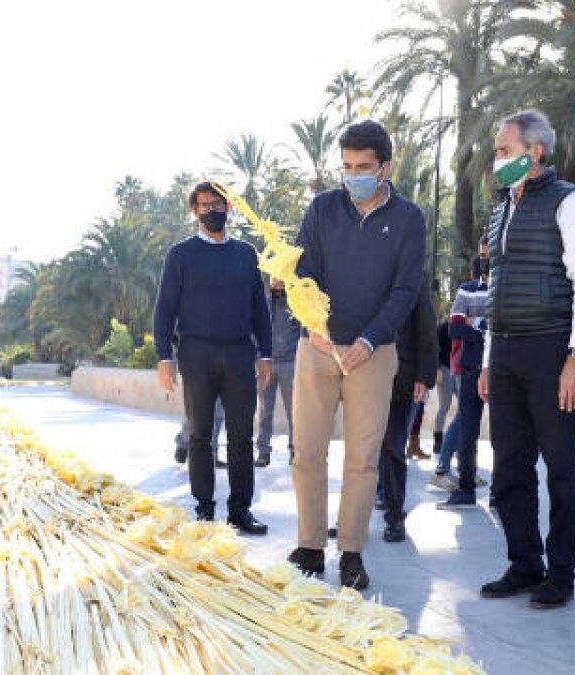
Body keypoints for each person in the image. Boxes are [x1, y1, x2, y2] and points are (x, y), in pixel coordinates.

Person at [287, 120, 426, 591]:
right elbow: (303, 271)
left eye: (363, 168)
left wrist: (369, 340)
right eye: (346, 167)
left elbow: (406, 289)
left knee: (363, 459)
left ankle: (350, 552)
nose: (352, 176)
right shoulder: (323, 208)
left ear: (385, 167)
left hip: (375, 353)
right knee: (306, 451)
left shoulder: (408, 219)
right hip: (318, 349)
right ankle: (308, 547)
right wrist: (314, 326)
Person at [478, 109, 575, 610]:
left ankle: (562, 574)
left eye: (504, 151)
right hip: (506, 349)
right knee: (510, 466)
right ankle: (524, 563)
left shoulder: (571, 203)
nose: (497, 159)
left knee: (562, 470)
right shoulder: (500, 208)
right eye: (497, 151)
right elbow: (497, 288)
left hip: (554, 349)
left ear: (535, 152)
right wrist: (489, 358)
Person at [153, 181, 273, 536]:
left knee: (241, 438)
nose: (211, 211)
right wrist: (164, 357)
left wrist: (264, 353)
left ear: (229, 207)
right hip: (196, 353)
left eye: (217, 204)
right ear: (194, 212)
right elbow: (165, 309)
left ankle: (240, 510)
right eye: (203, 206)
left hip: (239, 353)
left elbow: (259, 309)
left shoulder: (246, 254)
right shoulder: (180, 255)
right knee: (201, 436)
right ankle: (204, 510)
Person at [377, 280, 438, 542]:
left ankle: (394, 517)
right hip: (364, 371)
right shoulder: (362, 262)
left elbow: (427, 326)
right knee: (360, 449)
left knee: (393, 447)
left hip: (403, 376)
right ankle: (348, 520)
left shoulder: (411, 271)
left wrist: (424, 376)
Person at [433, 256, 490, 503]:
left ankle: (501, 493)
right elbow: (454, 329)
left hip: (502, 368)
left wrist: (474, 322)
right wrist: (487, 328)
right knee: (468, 431)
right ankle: (466, 488)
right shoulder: (466, 291)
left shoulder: (511, 288)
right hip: (470, 368)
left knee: (505, 434)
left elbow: (509, 328)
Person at [255, 277, 301, 467]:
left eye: (281, 281)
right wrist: (259, 357)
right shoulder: (263, 304)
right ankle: (263, 453)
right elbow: (255, 332)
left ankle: (294, 451)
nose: (278, 284)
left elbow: (302, 334)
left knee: (294, 412)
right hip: (267, 364)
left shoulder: (296, 306)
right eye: (275, 281)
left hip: (290, 365)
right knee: (265, 411)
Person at [431, 318, 455, 455]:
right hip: (444, 370)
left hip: (459, 371)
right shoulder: (443, 327)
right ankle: (438, 442)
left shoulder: (463, 326)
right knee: (444, 407)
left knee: (465, 408)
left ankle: (455, 440)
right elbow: (434, 347)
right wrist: (437, 368)